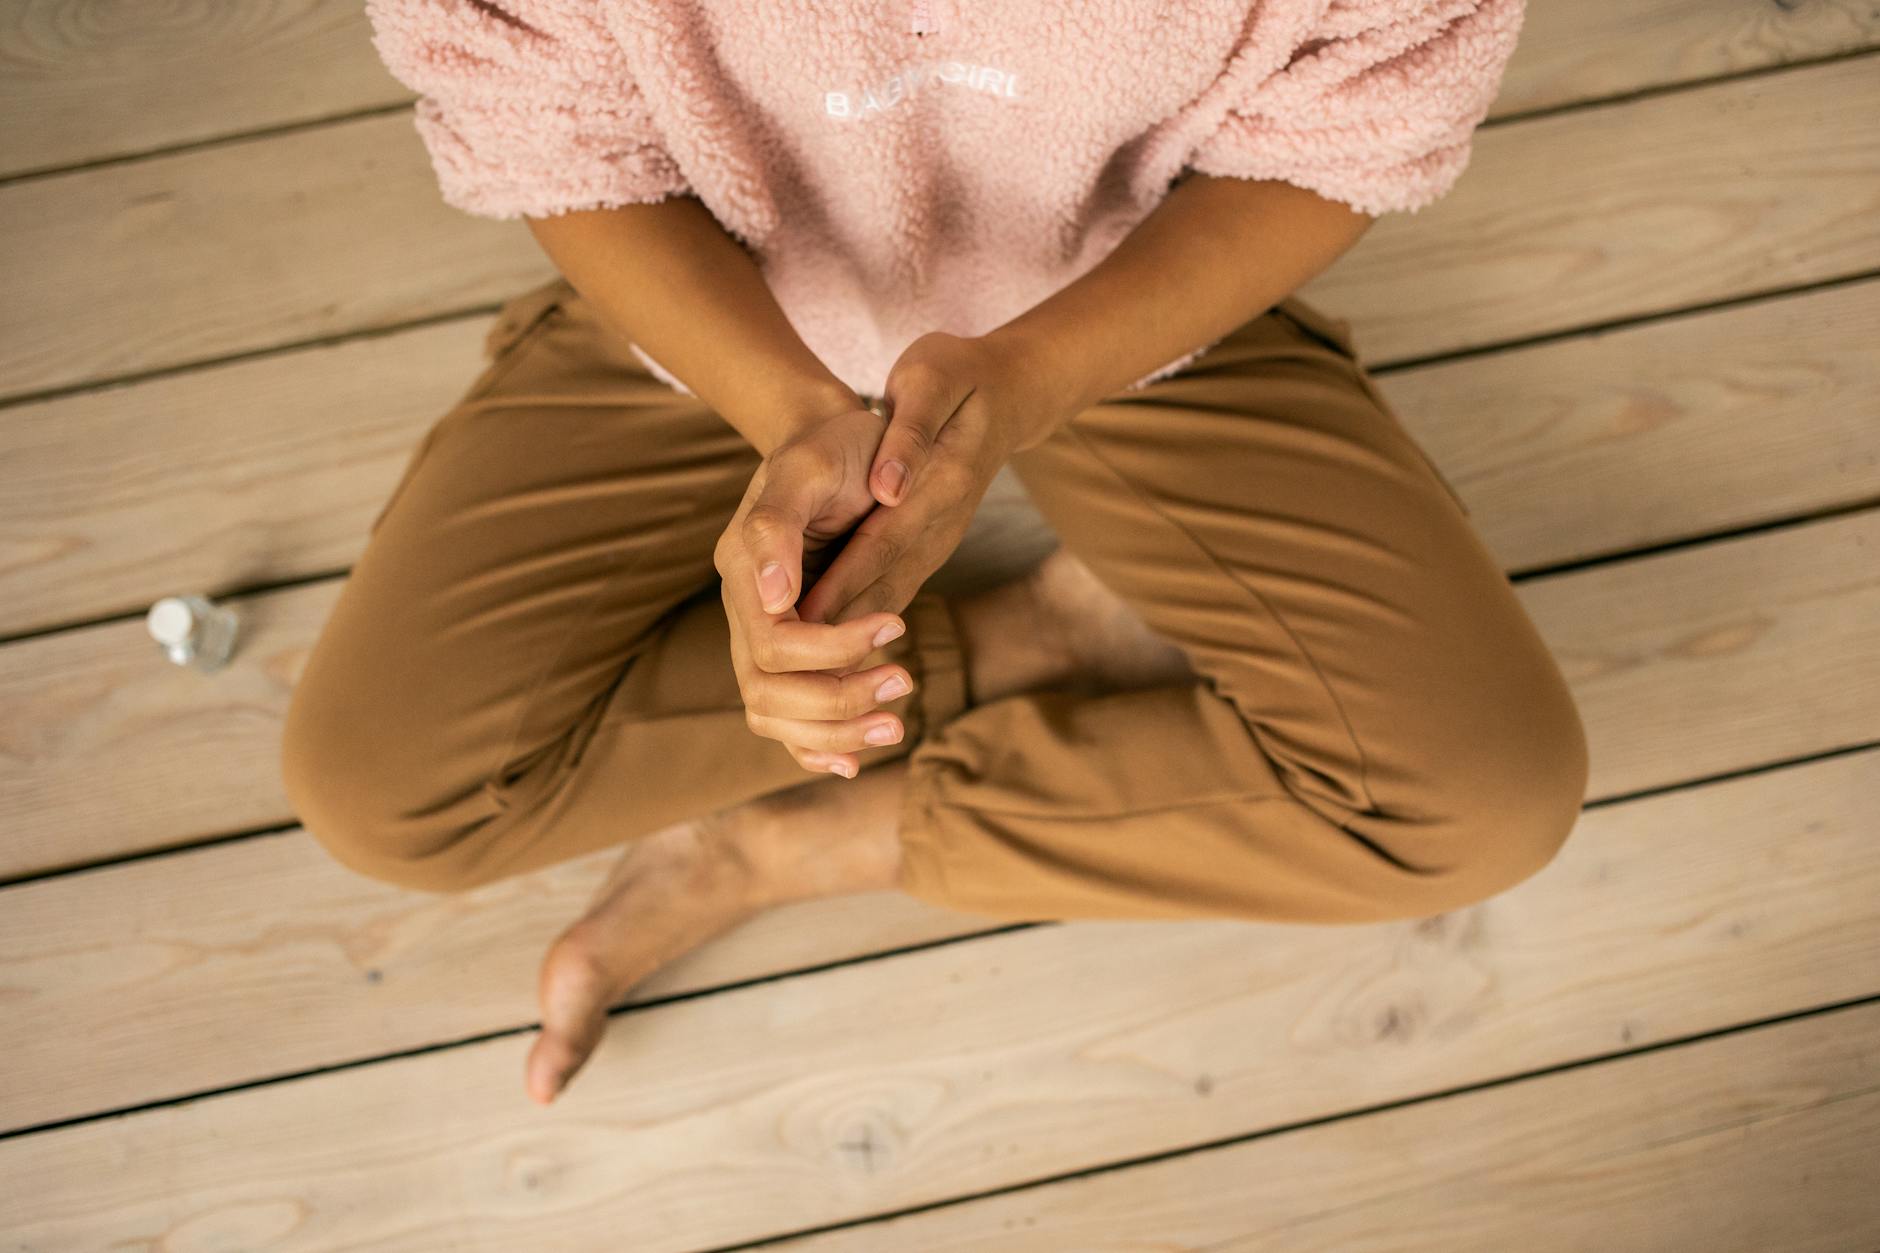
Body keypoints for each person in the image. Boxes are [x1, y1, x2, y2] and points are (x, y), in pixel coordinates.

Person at [280, 0, 1590, 1106]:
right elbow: (543, 118)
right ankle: (1037, 633)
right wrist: (790, 411)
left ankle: (769, 849)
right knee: (386, 788)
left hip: (1118, 313)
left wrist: (1020, 382)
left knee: (1479, 797)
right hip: (719, 314)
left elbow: (1351, 126)